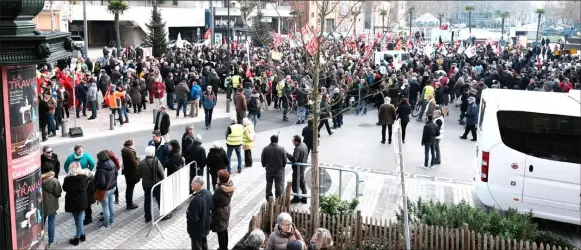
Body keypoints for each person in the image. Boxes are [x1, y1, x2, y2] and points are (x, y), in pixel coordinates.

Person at [139, 146, 171, 222]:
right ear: (153, 153)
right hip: (156, 184)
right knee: (160, 199)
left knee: (147, 200)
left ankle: (147, 217)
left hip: (146, 185)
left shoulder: (141, 162)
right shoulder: (156, 161)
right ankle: (163, 215)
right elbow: (162, 174)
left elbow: (140, 175)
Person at [62, 162, 90, 246]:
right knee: (79, 220)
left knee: (77, 220)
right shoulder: (84, 177)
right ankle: (82, 235)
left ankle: (77, 239)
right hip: (82, 202)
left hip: (72, 202)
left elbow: (64, 188)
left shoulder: (68, 179)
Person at [187, 176, 213, 250]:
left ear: (198, 185)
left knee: (197, 246)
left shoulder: (196, 200)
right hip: (206, 226)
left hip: (197, 230)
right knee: (204, 244)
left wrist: (190, 230)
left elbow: (192, 219)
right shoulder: (208, 193)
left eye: (192, 183)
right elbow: (211, 208)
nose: (190, 184)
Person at [94, 150, 118, 229]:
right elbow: (116, 174)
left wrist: (96, 186)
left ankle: (106, 223)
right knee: (111, 204)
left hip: (105, 190)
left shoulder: (101, 169)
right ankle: (112, 220)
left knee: (105, 206)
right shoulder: (112, 163)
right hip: (113, 187)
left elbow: (101, 183)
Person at [211, 170, 234, 250]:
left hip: (219, 212)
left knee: (220, 232)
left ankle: (222, 248)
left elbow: (213, 201)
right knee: (224, 229)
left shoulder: (219, 191)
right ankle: (225, 247)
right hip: (226, 210)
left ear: (220, 179)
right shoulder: (229, 186)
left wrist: (216, 188)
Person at [41, 162, 62, 248]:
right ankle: (51, 241)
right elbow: (58, 192)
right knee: (51, 223)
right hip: (52, 206)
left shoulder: (38, 180)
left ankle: (39, 241)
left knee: (41, 224)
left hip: (41, 206)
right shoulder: (54, 180)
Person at [261, 135, 287, 200]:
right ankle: (278, 198)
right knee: (278, 185)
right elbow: (285, 160)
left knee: (269, 184)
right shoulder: (281, 149)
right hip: (278, 170)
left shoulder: (266, 148)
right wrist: (283, 166)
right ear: (277, 140)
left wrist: (264, 165)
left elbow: (262, 159)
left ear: (271, 140)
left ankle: (269, 197)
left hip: (269, 170)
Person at [286, 135, 309, 204]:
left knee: (295, 183)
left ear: (296, 141)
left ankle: (296, 198)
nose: (292, 142)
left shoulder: (297, 148)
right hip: (303, 166)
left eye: (293, 141)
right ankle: (304, 197)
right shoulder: (304, 145)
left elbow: (294, 159)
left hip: (298, 168)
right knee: (302, 182)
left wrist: (287, 154)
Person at [121, 140, 140, 210]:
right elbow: (134, 163)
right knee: (130, 188)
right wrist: (138, 160)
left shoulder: (124, 151)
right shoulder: (130, 152)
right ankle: (129, 204)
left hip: (127, 172)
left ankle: (128, 202)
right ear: (131, 145)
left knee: (128, 188)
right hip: (131, 173)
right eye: (133, 144)